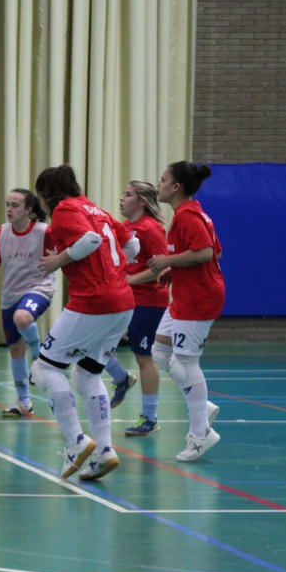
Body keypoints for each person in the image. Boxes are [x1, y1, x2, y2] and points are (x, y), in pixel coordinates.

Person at [33, 164, 139, 481]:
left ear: (47, 193)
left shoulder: (65, 209)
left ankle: (77, 442)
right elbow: (133, 246)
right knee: (88, 374)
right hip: (123, 301)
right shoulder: (98, 209)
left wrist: (56, 261)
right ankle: (104, 451)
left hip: (94, 301)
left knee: (45, 368)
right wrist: (113, 268)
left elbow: (90, 240)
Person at [147, 161, 225, 462]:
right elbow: (215, 251)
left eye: (163, 179)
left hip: (199, 298)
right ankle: (200, 403)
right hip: (185, 293)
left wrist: (167, 261)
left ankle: (200, 435)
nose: (159, 184)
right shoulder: (190, 213)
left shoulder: (188, 216)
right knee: (160, 352)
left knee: (186, 361)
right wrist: (176, 269)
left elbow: (205, 252)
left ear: (176, 187)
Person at [0, 189, 56, 417]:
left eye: (15, 205)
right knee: (15, 350)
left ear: (29, 210)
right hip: (10, 295)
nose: (9, 209)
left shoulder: (45, 232)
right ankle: (23, 402)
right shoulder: (3, 231)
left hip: (39, 289)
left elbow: (60, 254)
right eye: (7, 204)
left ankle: (38, 356)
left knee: (22, 317)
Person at [102, 181, 171, 436]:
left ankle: (150, 419)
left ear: (142, 201)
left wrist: (131, 279)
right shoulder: (124, 229)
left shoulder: (151, 229)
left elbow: (163, 269)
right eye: (122, 193)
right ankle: (121, 378)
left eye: (128, 194)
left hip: (148, 300)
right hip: (123, 298)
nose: (121, 198)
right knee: (94, 342)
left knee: (143, 356)